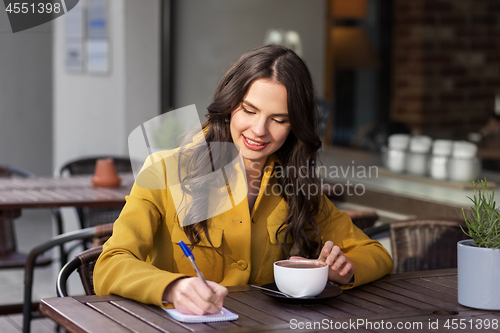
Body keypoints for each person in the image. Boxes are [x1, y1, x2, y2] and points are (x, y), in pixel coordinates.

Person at [94, 44, 393, 315]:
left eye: (279, 119)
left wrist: (344, 270)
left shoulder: (296, 185)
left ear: (294, 127)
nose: (259, 130)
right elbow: (110, 264)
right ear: (228, 107)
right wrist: (172, 288)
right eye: (249, 110)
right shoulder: (164, 171)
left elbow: (376, 253)